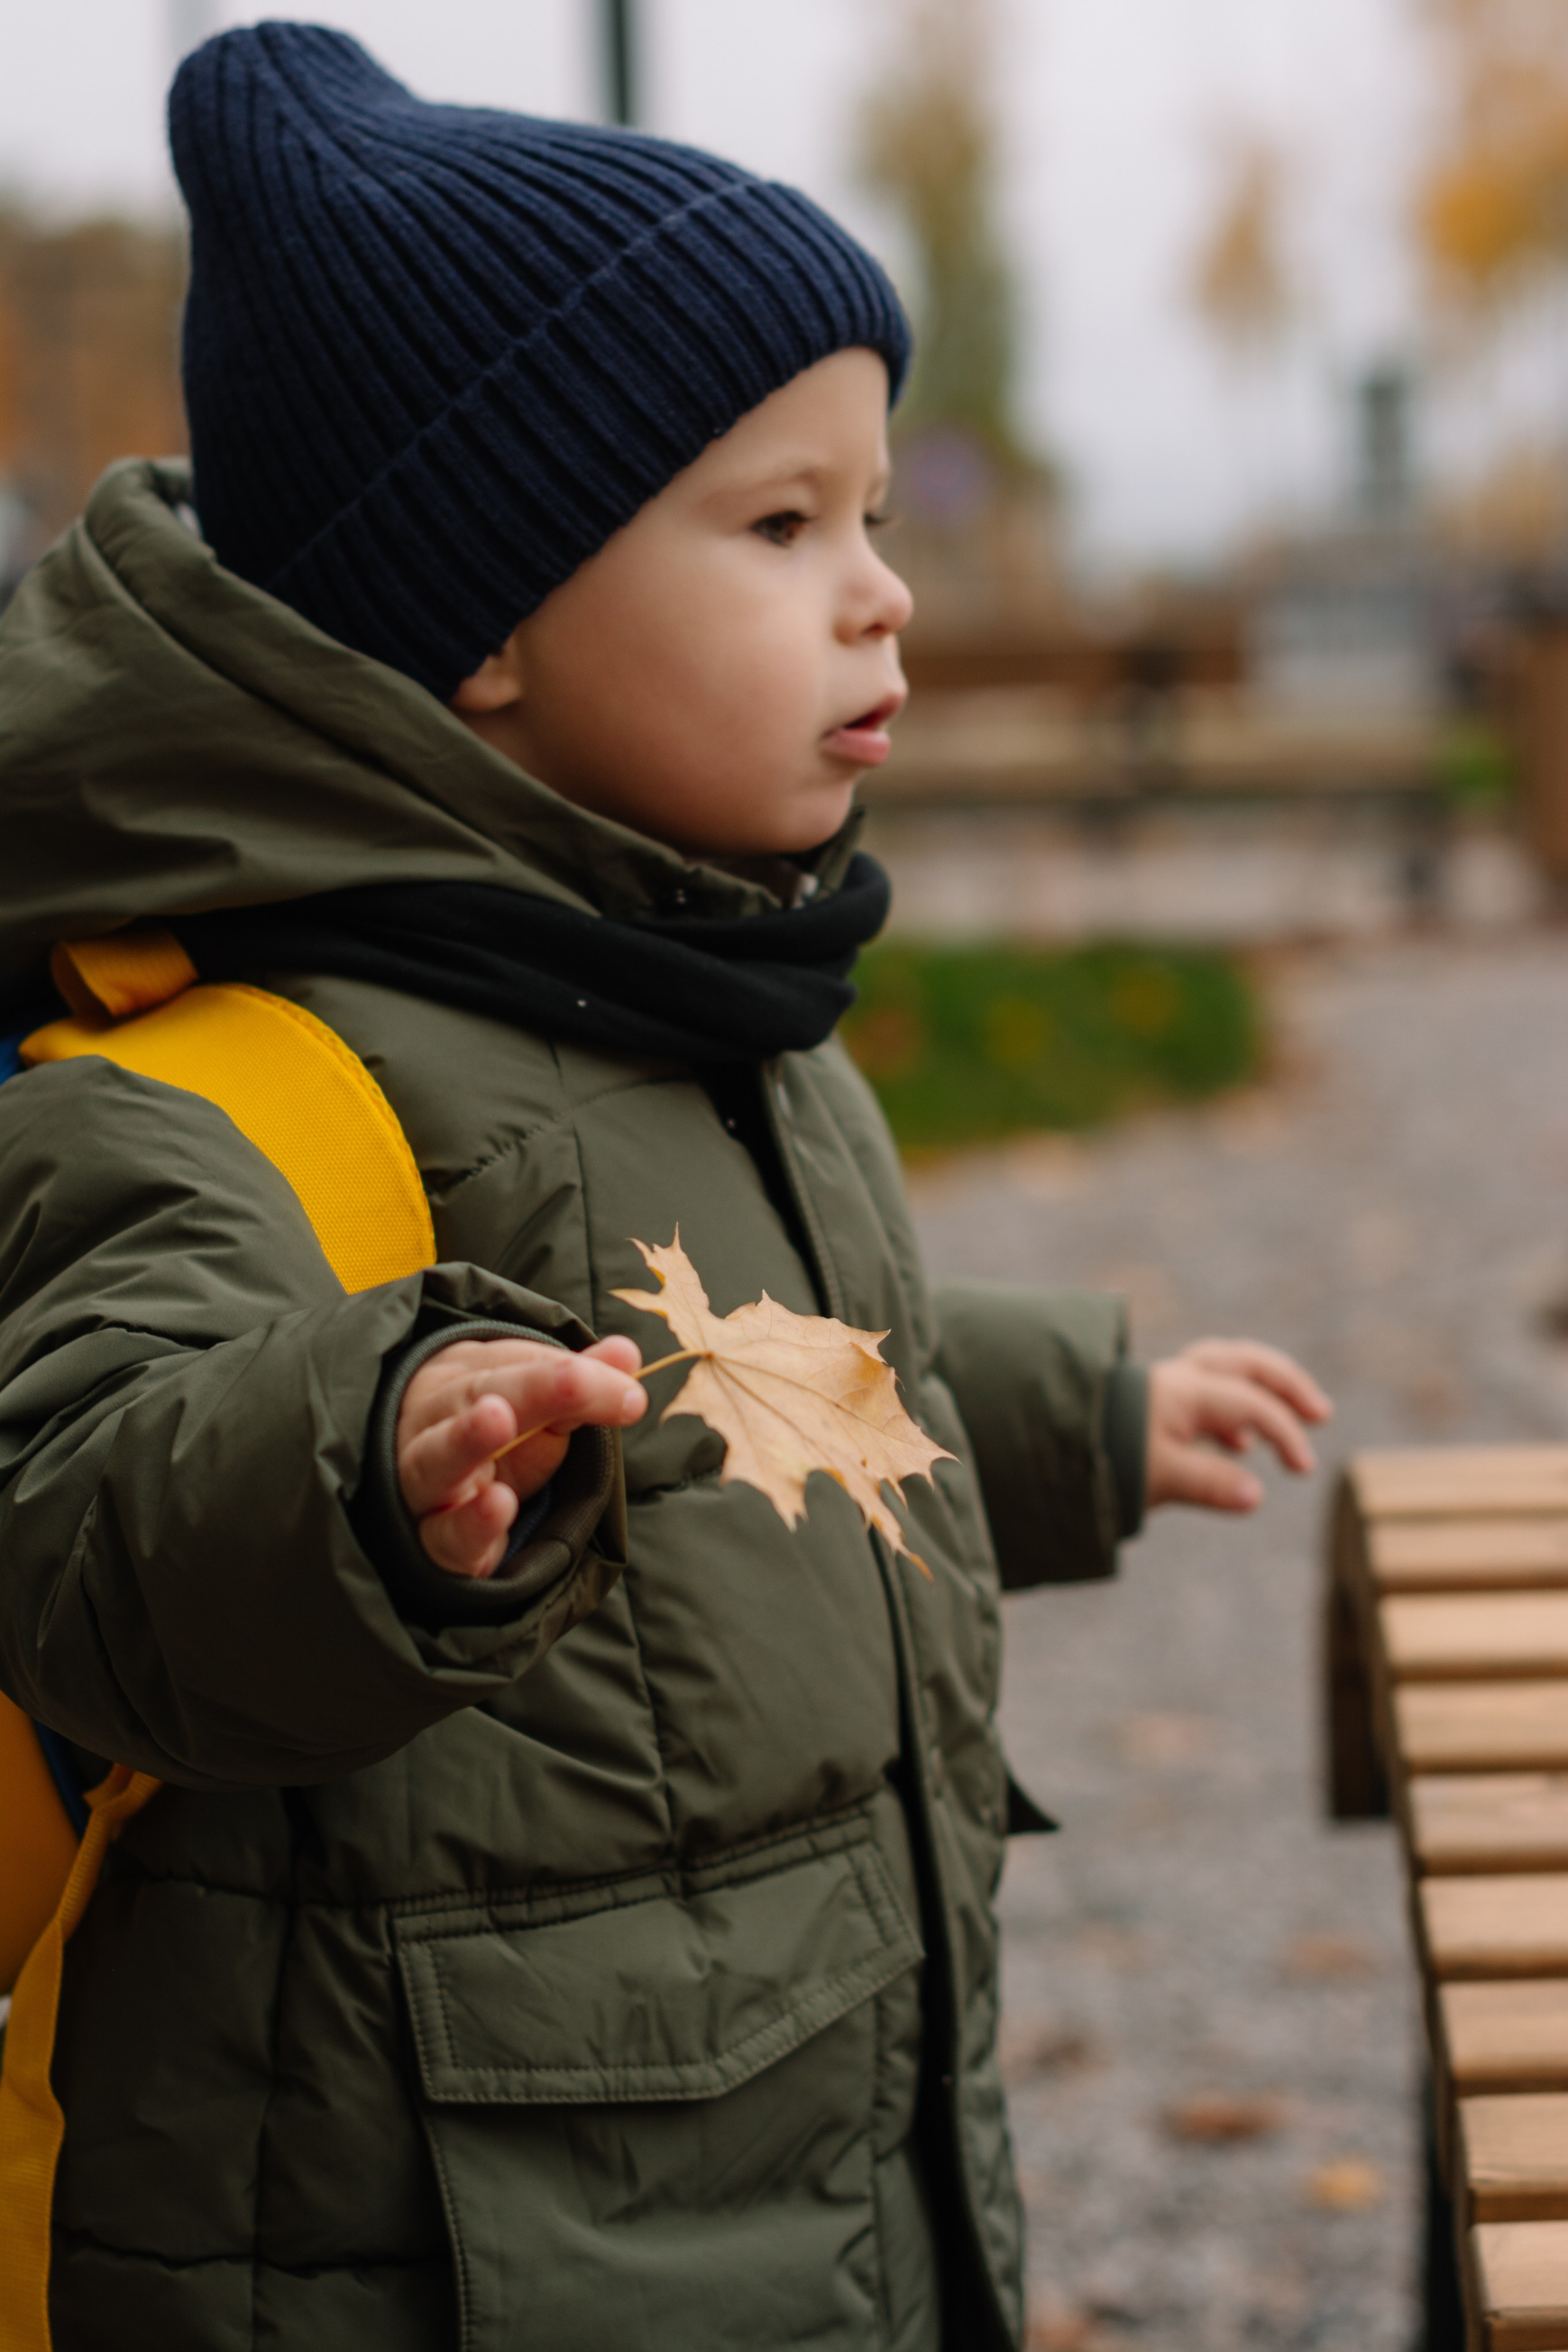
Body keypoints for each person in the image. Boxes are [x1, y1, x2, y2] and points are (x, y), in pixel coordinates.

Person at [0, 26, 1329, 2351]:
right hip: (442, 2246)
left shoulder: (684, 988)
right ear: (485, 622)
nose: (880, 595)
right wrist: (368, 1462)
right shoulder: (213, 1068)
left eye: (880, 517)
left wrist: (1072, 1414)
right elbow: (92, 1504)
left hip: (805, 2168)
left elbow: (763, 1365)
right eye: (780, 525)